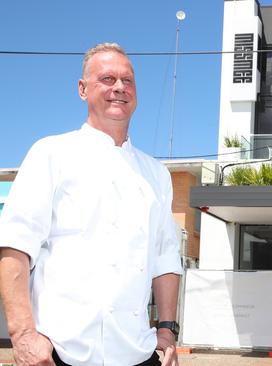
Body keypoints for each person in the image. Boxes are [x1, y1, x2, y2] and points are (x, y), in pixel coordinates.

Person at [0, 43, 183, 366]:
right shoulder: (51, 153)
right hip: (58, 352)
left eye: (128, 81)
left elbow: (165, 257)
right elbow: (15, 246)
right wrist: (23, 334)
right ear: (83, 89)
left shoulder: (156, 173)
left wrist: (167, 330)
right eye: (107, 79)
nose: (119, 88)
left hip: (136, 353)